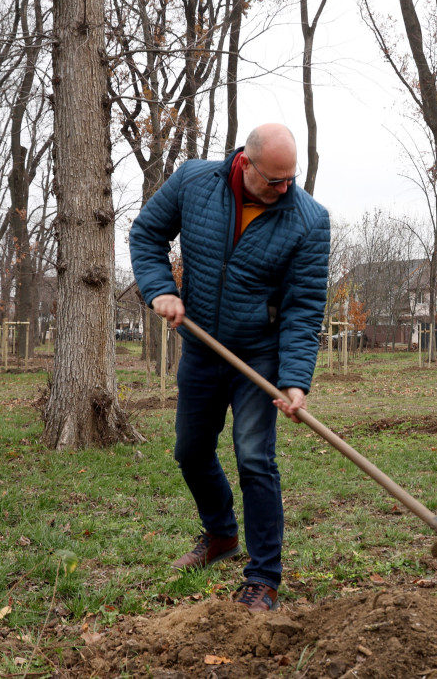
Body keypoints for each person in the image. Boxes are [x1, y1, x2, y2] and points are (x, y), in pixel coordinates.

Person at [129, 123, 330, 611]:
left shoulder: (309, 220)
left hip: (258, 354)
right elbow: (147, 233)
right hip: (201, 346)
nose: (285, 189)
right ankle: (220, 534)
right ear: (245, 163)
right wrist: (161, 289)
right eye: (275, 180)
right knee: (190, 451)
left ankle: (263, 577)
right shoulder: (194, 181)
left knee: (255, 458)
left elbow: (304, 310)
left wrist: (294, 381)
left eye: (291, 178)